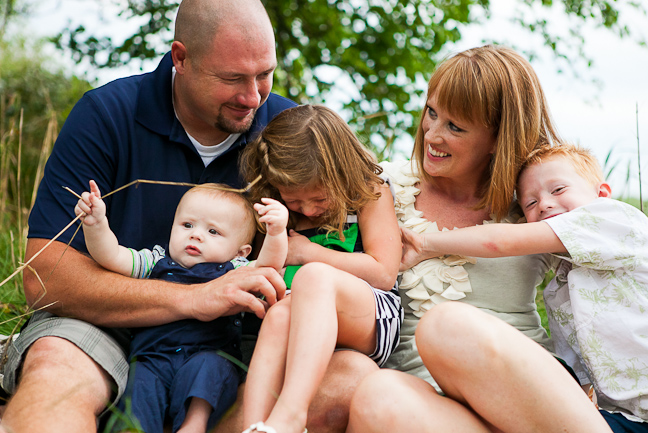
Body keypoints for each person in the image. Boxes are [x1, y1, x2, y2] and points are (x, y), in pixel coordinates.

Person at [0, 1, 300, 432]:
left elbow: (354, 221)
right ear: (181, 58)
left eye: (264, 74)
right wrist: (195, 298)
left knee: (342, 382)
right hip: (104, 327)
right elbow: (45, 275)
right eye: (233, 78)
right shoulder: (107, 114)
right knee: (55, 373)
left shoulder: (290, 128)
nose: (253, 97)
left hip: (237, 337)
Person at [347, 44, 611, 432]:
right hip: (429, 408)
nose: (432, 135)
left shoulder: (536, 204)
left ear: (498, 137)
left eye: (455, 126)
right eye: (431, 113)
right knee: (377, 397)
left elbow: (616, 282)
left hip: (527, 401)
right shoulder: (383, 188)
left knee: (445, 326)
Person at [392, 143, 648, 432]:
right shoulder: (559, 288)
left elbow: (500, 241)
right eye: (530, 203)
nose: (545, 204)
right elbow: (582, 370)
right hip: (627, 419)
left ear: (601, 193)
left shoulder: (614, 220)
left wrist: (425, 243)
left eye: (558, 190)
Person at [238, 104, 403, 433]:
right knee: (280, 314)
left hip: (371, 316)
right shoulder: (277, 209)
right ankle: (255, 426)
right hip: (297, 319)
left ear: (342, 174)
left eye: (320, 198)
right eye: (296, 201)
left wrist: (309, 252)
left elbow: (383, 272)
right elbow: (262, 271)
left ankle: (291, 415)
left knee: (313, 278)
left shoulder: (370, 193)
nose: (309, 210)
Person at [74, 180, 288, 432]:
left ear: (241, 252)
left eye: (213, 232)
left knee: (211, 369)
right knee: (139, 387)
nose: (195, 234)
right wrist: (97, 225)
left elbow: (268, 269)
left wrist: (276, 233)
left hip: (208, 354)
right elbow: (112, 256)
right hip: (152, 358)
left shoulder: (236, 271)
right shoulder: (154, 261)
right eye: (187, 225)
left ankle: (193, 425)